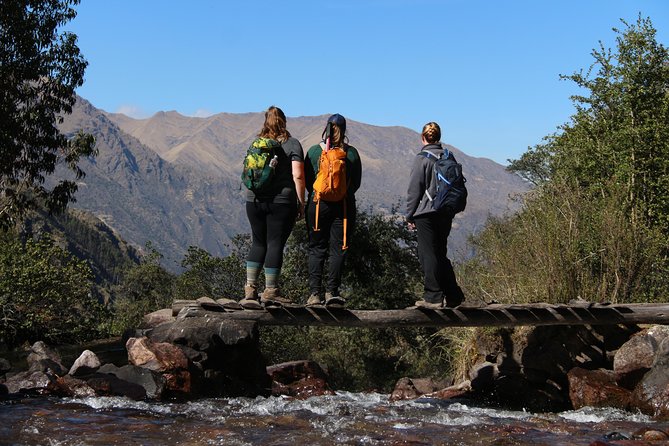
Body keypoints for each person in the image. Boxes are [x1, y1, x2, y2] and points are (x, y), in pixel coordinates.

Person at [239, 106, 305, 309]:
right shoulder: (292, 144)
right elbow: (298, 175)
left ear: (265, 122)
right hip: (281, 202)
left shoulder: (256, 144)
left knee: (258, 243)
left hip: (254, 201)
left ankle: (250, 290)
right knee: (275, 243)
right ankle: (271, 291)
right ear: (284, 121)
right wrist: (301, 202)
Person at [304, 113, 362, 307]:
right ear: (344, 129)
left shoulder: (314, 151)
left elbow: (308, 180)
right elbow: (356, 183)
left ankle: (314, 294)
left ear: (326, 128)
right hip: (343, 206)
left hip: (318, 205)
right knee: (339, 249)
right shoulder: (351, 153)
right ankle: (332, 292)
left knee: (316, 248)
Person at [406, 122, 465, 308]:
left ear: (423, 137)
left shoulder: (422, 158)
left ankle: (433, 297)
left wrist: (409, 215)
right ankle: (453, 295)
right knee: (440, 253)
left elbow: (414, 190)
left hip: (426, 213)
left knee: (427, 254)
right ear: (439, 137)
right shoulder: (449, 156)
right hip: (446, 212)